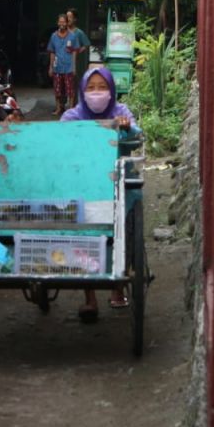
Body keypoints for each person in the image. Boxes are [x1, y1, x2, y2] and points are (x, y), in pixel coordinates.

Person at [61, 67, 142, 322]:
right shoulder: (72, 116)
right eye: (91, 87)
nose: (97, 92)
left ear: (111, 90)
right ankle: (90, 298)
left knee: (124, 232)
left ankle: (118, 286)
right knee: (85, 236)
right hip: (84, 186)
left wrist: (126, 128)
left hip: (117, 185)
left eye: (102, 87)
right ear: (83, 91)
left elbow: (137, 136)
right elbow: (58, 139)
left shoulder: (121, 112)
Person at [46, 14, 80, 115]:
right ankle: (58, 108)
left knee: (70, 90)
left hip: (69, 67)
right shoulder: (53, 36)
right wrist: (50, 67)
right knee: (57, 90)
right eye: (60, 22)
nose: (62, 24)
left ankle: (70, 109)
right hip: (57, 67)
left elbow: (74, 51)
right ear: (57, 23)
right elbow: (52, 52)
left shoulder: (72, 36)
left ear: (67, 23)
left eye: (64, 22)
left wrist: (74, 67)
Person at [66, 8, 92, 107]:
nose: (68, 19)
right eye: (67, 17)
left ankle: (74, 105)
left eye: (70, 17)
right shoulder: (64, 31)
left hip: (75, 62)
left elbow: (87, 44)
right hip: (63, 62)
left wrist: (78, 51)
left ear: (75, 19)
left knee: (74, 83)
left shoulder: (79, 32)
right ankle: (63, 105)